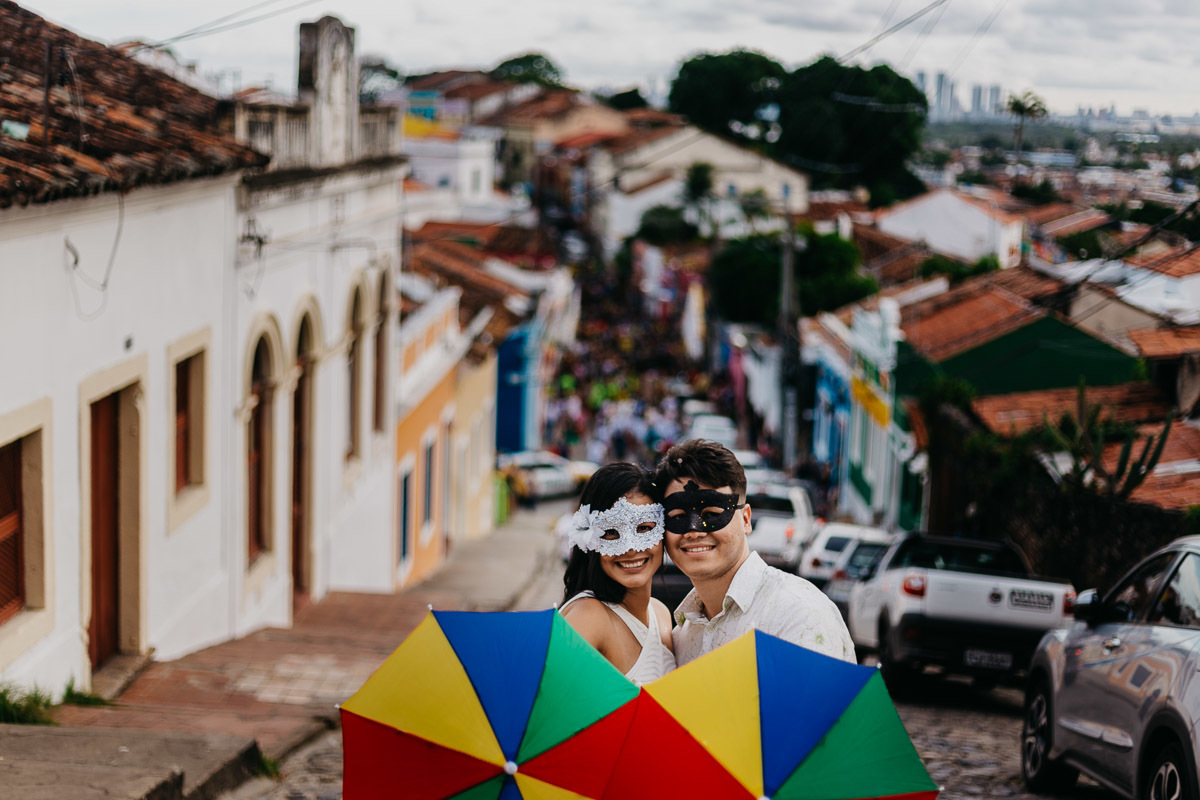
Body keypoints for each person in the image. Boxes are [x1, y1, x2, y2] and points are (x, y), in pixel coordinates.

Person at [656, 438, 855, 666]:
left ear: (746, 519)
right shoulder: (682, 636)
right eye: (678, 517)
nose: (693, 531)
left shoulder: (799, 613)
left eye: (712, 514)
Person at [560, 463, 676, 684]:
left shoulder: (660, 613)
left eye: (643, 528)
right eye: (611, 532)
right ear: (589, 538)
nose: (630, 548)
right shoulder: (589, 617)